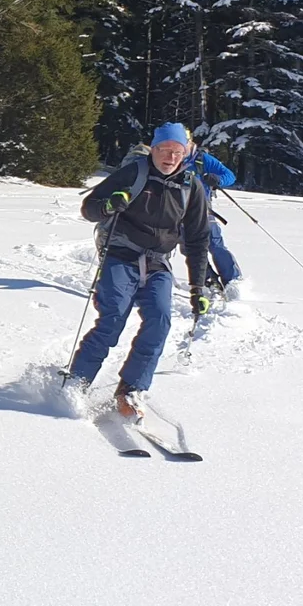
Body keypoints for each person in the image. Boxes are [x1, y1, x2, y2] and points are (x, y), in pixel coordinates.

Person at [70, 122, 210, 419]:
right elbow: (89, 207)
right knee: (112, 319)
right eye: (163, 150)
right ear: (154, 149)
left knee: (159, 322)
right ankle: (76, 383)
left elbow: (198, 239)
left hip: (158, 262)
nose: (169, 157)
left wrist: (199, 287)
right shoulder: (135, 173)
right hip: (120, 256)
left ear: (185, 154)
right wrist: (108, 205)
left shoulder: (191, 187)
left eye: (176, 151)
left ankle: (130, 390)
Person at [184, 138, 243, 288]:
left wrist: (217, 180)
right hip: (176, 212)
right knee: (189, 248)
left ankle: (233, 281)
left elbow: (229, 176)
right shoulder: (169, 159)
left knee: (215, 244)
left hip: (203, 210)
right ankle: (210, 280)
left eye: (185, 143)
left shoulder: (202, 159)